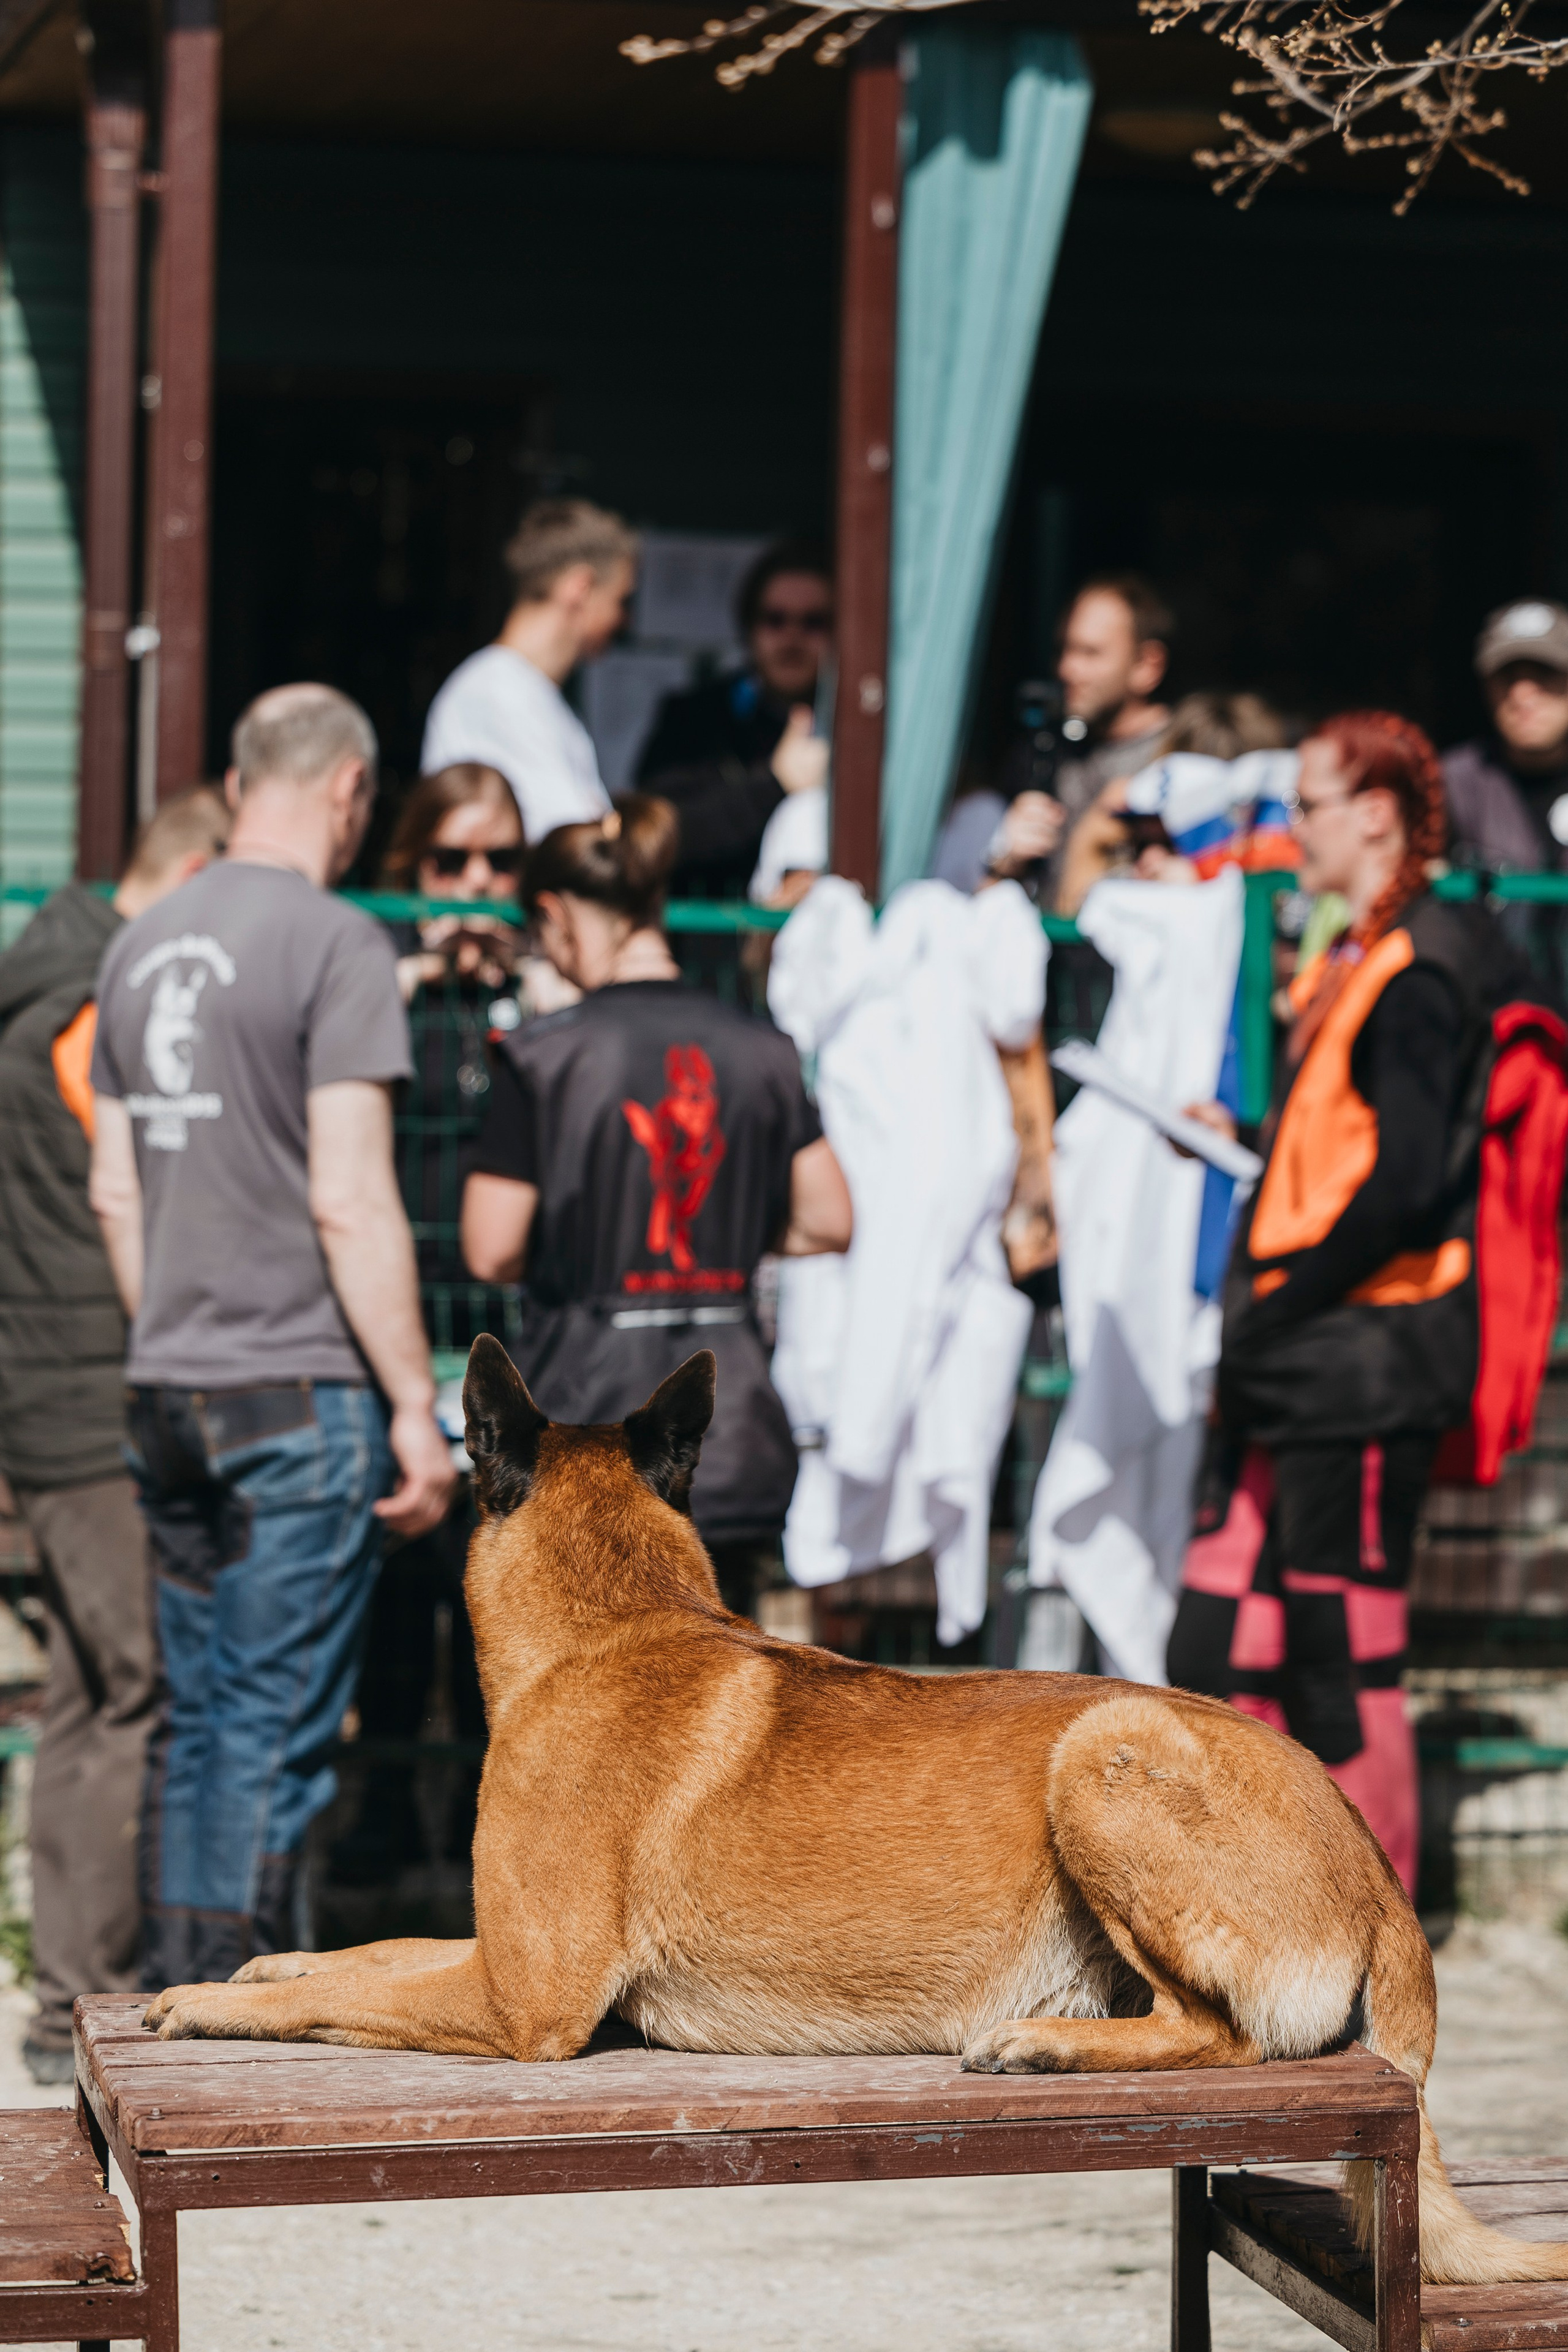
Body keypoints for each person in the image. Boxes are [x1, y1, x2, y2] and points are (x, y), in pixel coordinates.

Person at [89, 684, 456, 1985]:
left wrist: (172, 1336)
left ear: (243, 784)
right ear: (351, 793)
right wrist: (415, 1402)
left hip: (169, 1382)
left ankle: (171, 1991)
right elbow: (351, 1197)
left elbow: (115, 1191)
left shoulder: (136, 944)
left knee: (199, 1721)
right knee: (275, 1728)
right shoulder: (338, 943)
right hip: (295, 1389)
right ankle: (235, 2012)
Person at [1166, 710, 1533, 1896]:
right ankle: (1249, 1894)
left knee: (1341, 1653)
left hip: (1363, 1353)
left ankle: (1375, 1935)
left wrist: (1285, 1297)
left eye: (1305, 806)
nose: (1289, 830)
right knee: (1219, 1637)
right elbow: (1349, 1147)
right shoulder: (1361, 952)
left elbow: (1409, 1183)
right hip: (1301, 1352)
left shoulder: (1422, 964)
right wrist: (1252, 1147)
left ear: (1372, 815)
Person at [461, 794, 852, 1619]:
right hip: (726, 1432)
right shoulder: (764, 1050)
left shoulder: (542, 1057)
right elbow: (829, 1218)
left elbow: (491, 1246)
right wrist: (734, 1232)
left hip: (583, 1438)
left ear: (554, 914)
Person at [0, 789, 228, 2080]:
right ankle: (83, 2001)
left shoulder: (56, 971)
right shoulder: (94, 1006)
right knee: (133, 1679)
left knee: (92, 1689)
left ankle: (69, 1989)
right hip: (85, 1391)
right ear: (190, 872)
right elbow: (143, 1178)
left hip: (51, 1382)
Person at [420, 500, 638, 843]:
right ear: (580, 588)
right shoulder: (493, 694)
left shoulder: (534, 696)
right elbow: (578, 847)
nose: (623, 619)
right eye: (622, 600)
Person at [637, 541, 833, 898]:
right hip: (711, 940)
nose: (792, 637)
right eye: (775, 620)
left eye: (813, 623)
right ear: (749, 628)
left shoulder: (863, 726)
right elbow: (653, 838)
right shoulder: (694, 718)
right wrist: (776, 783)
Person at [985, 575, 1174, 903]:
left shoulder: (1178, 757)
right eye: (1065, 650)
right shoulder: (1046, 752)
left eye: (1090, 653)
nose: (1067, 669)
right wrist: (1006, 860)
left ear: (1147, 665)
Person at [1442, 600, 1568, 988]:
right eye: (1508, 676)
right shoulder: (1452, 786)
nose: (1522, 694)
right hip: (1494, 1022)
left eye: (1544, 674)